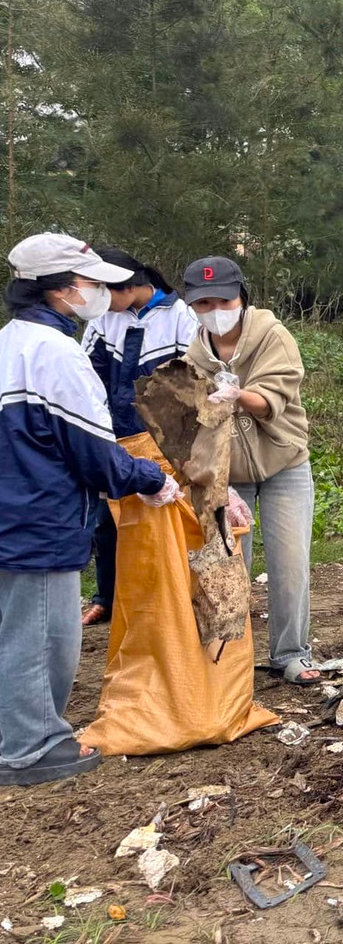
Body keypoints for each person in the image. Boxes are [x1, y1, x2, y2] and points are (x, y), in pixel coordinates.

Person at [0, 233, 181, 786]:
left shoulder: (11, 341)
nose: (101, 292)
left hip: (15, 509)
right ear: (62, 289)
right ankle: (31, 747)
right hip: (39, 517)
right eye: (93, 283)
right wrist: (150, 479)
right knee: (39, 635)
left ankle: (21, 731)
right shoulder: (55, 354)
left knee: (15, 628)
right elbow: (93, 451)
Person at [183, 257, 319, 686]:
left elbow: (270, 400)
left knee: (290, 562)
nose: (214, 309)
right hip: (227, 474)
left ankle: (292, 653)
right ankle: (227, 660)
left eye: (223, 299)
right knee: (225, 565)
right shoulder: (195, 351)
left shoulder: (272, 336)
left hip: (284, 464)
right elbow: (191, 418)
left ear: (242, 296)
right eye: (203, 302)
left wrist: (239, 394)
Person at [78, 249, 198, 627]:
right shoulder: (102, 319)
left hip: (162, 436)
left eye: (105, 289)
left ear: (130, 286)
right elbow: (86, 370)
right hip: (111, 432)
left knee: (164, 514)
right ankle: (107, 598)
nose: (99, 299)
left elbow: (191, 379)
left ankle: (167, 597)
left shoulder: (180, 317)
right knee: (107, 520)